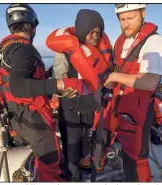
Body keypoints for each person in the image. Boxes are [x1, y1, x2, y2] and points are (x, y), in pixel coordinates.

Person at [0, 4, 90, 182]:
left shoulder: (7, 49)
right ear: (33, 25)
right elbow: (19, 86)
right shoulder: (24, 50)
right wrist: (61, 84)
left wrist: (54, 72)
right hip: (32, 117)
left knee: (44, 159)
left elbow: (22, 80)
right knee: (51, 163)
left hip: (18, 115)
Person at [46, 9, 114, 181]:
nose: (95, 36)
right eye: (91, 32)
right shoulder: (64, 51)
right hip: (71, 107)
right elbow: (59, 77)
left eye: (98, 33)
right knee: (72, 149)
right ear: (82, 30)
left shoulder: (99, 53)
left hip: (91, 107)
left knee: (88, 147)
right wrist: (62, 88)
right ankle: (72, 178)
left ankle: (88, 175)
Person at [103, 4, 162, 182]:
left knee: (137, 159)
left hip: (138, 111)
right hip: (122, 107)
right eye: (122, 19)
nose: (125, 24)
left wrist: (115, 76)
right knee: (127, 156)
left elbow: (149, 82)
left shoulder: (154, 42)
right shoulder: (122, 40)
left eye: (130, 18)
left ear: (143, 13)